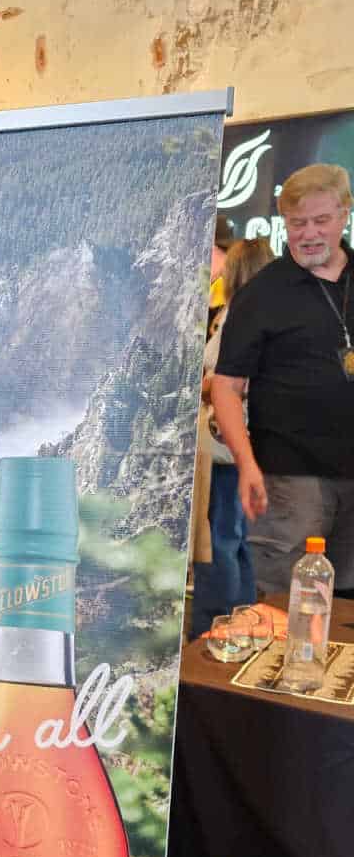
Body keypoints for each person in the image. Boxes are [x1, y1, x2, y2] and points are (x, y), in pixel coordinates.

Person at [212, 164, 354, 595]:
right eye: (297, 223)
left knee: (348, 608)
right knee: (284, 600)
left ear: (344, 214)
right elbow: (226, 385)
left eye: (321, 220)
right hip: (290, 477)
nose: (309, 233)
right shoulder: (261, 294)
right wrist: (246, 463)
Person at [190, 236, 274, 636]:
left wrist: (203, 384)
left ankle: (214, 623)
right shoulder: (265, 316)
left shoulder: (240, 317)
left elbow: (226, 380)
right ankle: (240, 617)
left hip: (222, 447)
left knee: (216, 540)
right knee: (236, 538)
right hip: (239, 445)